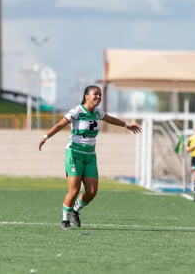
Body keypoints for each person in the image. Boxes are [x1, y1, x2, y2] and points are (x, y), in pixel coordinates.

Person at [38, 85, 142, 230]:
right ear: (86, 96)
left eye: (100, 95)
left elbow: (110, 119)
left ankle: (75, 210)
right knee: (74, 190)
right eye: (95, 94)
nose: (98, 97)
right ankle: (65, 220)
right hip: (74, 154)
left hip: (90, 156)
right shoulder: (77, 111)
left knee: (92, 192)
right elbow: (60, 124)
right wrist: (45, 137)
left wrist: (126, 125)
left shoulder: (98, 112)